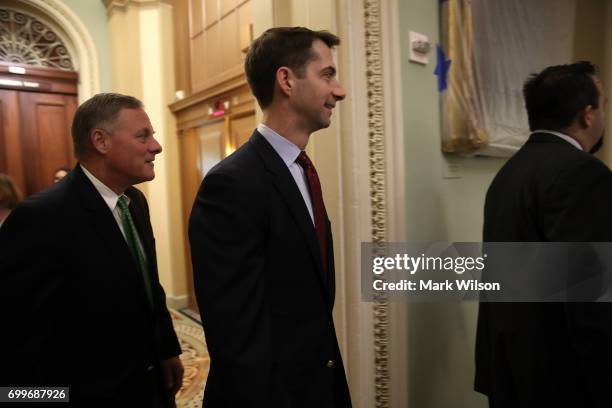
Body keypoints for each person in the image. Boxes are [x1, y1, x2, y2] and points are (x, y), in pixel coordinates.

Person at [189, 27, 351, 407]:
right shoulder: (231, 184)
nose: (339, 90)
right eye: (327, 75)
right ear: (287, 80)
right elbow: (236, 333)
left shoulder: (302, 170)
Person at [0, 93, 183, 407]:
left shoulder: (134, 203)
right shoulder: (42, 216)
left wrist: (167, 350)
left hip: (150, 388)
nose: (156, 146)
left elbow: (147, 284)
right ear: (101, 141)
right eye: (143, 135)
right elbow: (18, 338)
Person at [475, 61, 612, 407]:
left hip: (510, 372)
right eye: (603, 105)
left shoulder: (509, 174)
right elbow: (589, 298)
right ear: (587, 115)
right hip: (563, 379)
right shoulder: (583, 173)